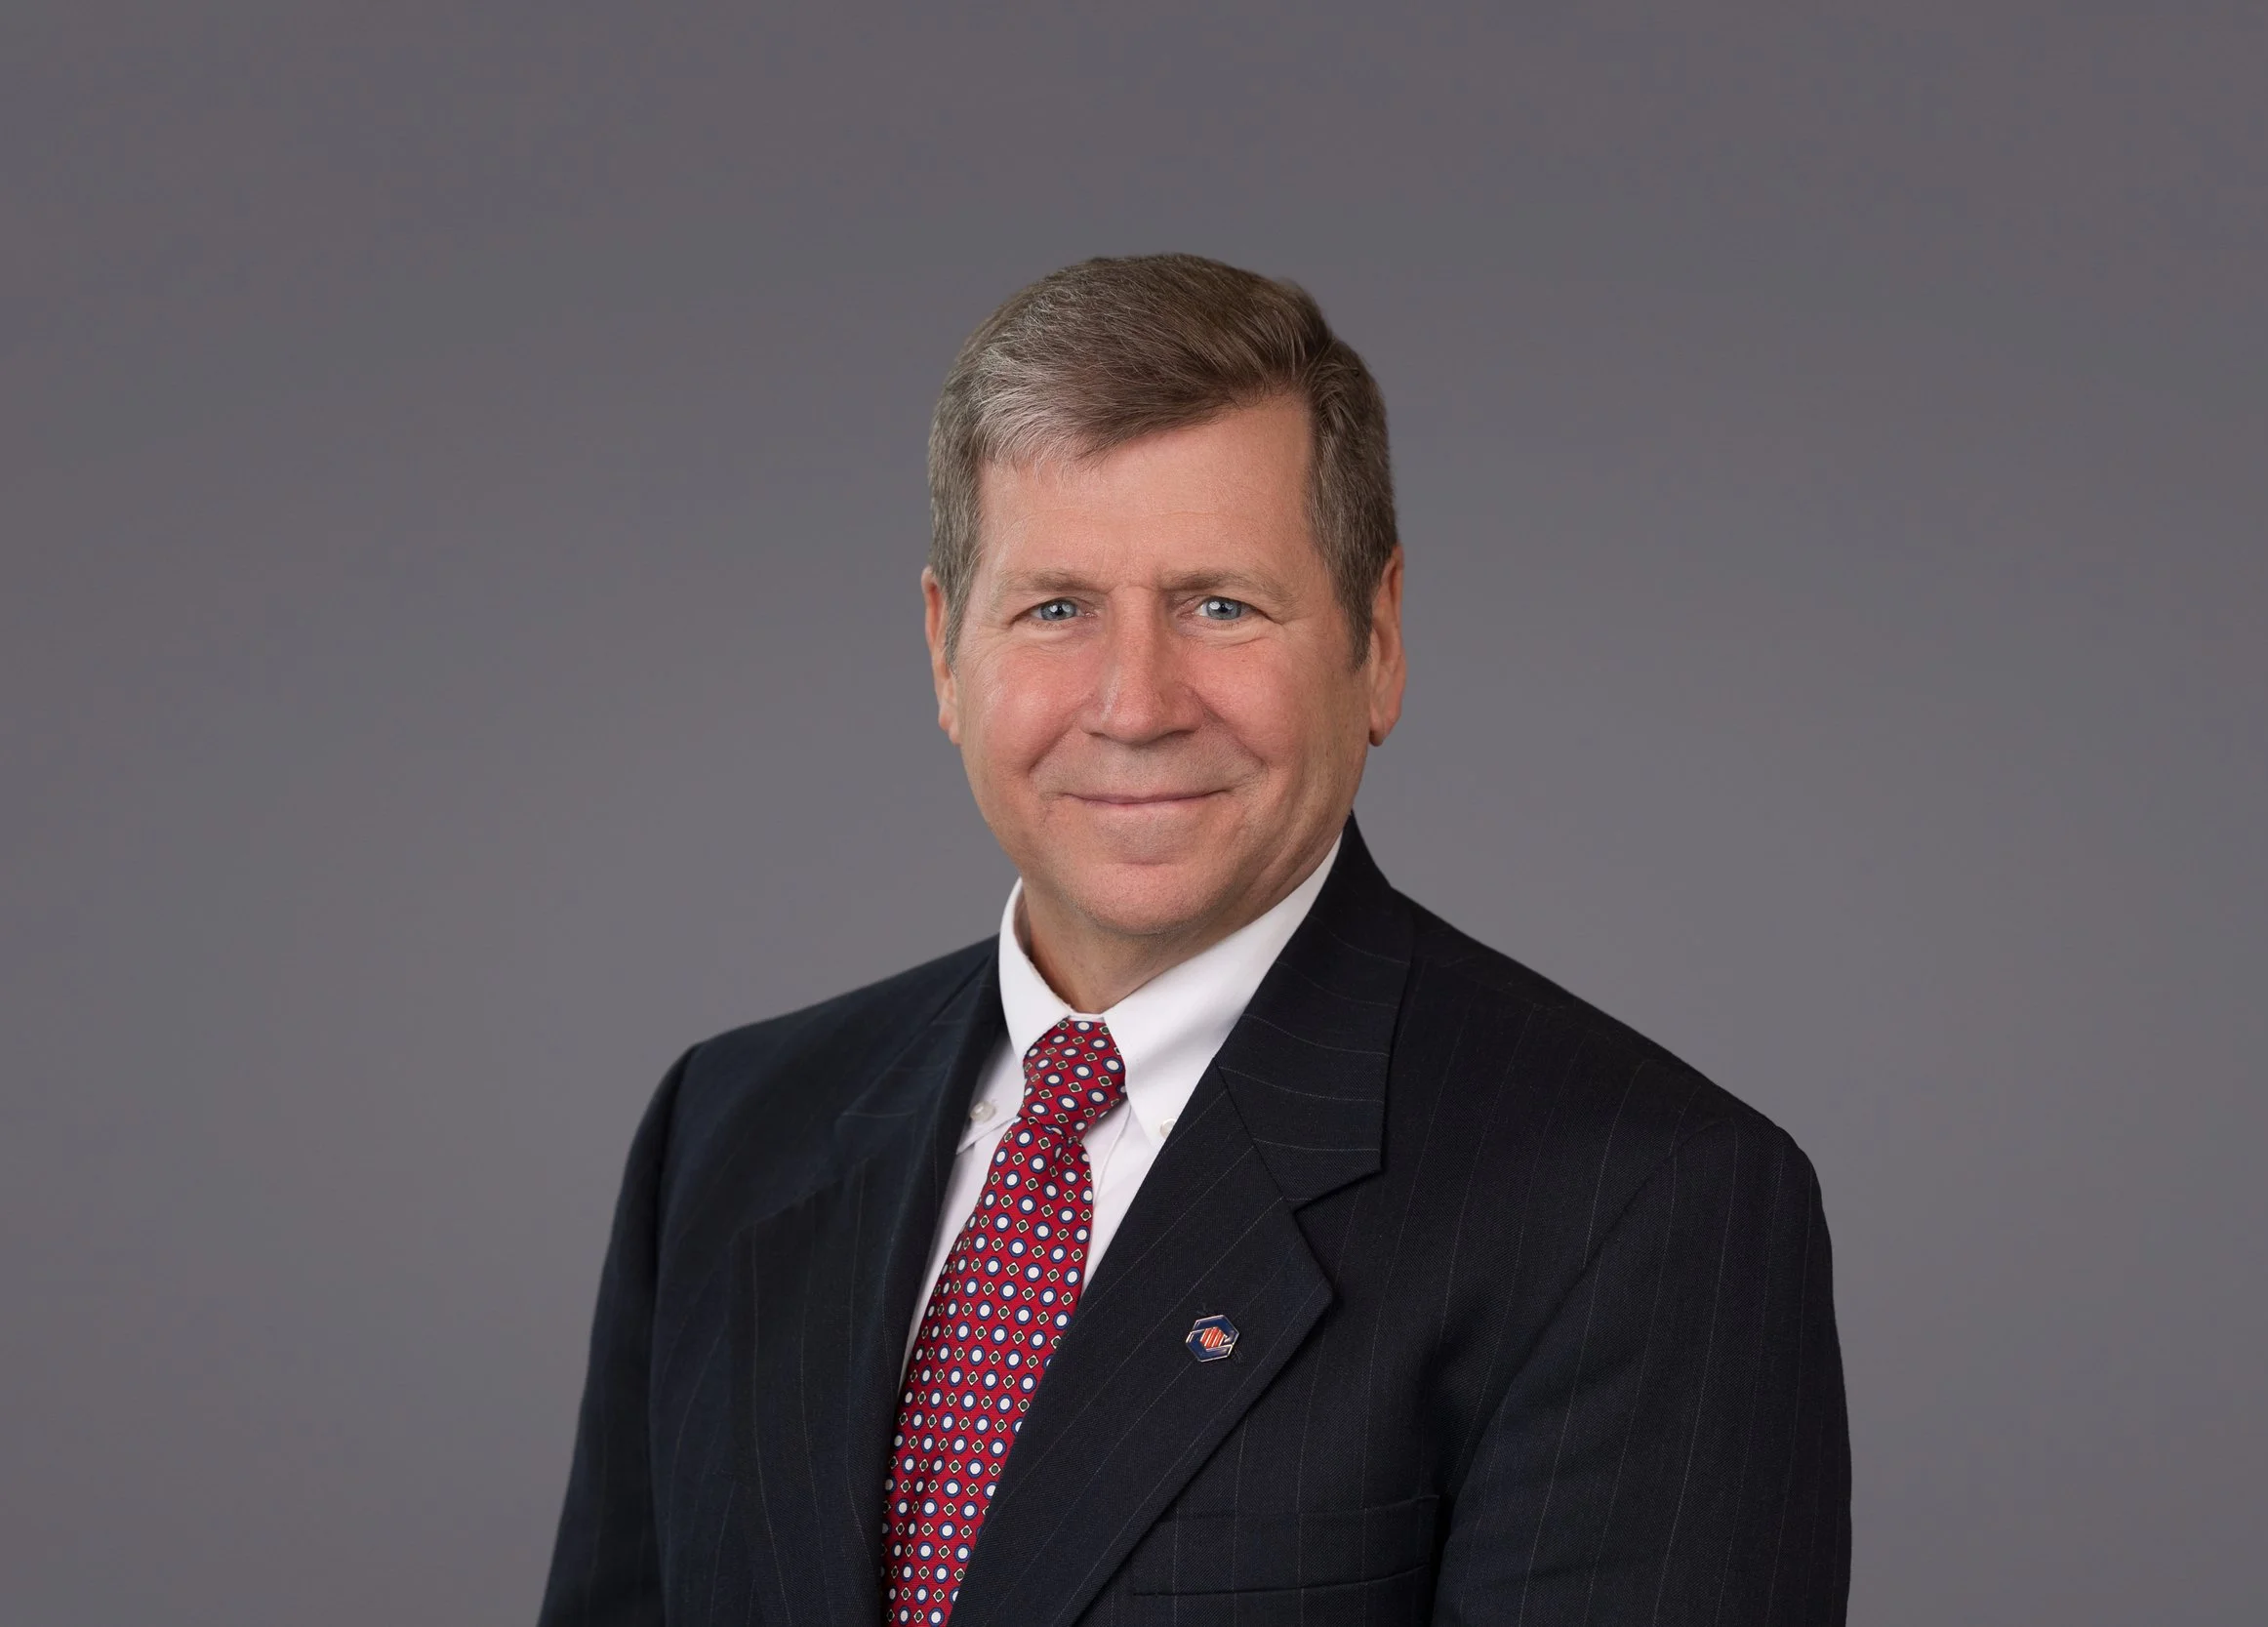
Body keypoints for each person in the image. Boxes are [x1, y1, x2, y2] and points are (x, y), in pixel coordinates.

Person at [539, 254, 1849, 1626]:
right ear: (944, 652)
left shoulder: (1645, 1207)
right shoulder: (732, 1130)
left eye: (1220, 603)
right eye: (1056, 608)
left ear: (1378, 640)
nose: (1136, 702)